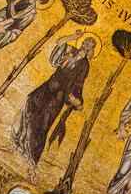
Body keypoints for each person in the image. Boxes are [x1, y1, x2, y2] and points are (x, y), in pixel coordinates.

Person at [12, 36, 93, 165]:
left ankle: (31, 155)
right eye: (85, 42)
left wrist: (76, 99)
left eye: (89, 45)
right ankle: (19, 140)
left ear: (91, 49)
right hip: (49, 85)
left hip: (60, 94)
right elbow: (59, 43)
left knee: (44, 122)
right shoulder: (71, 50)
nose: (86, 45)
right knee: (30, 102)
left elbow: (79, 83)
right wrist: (73, 36)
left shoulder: (84, 65)